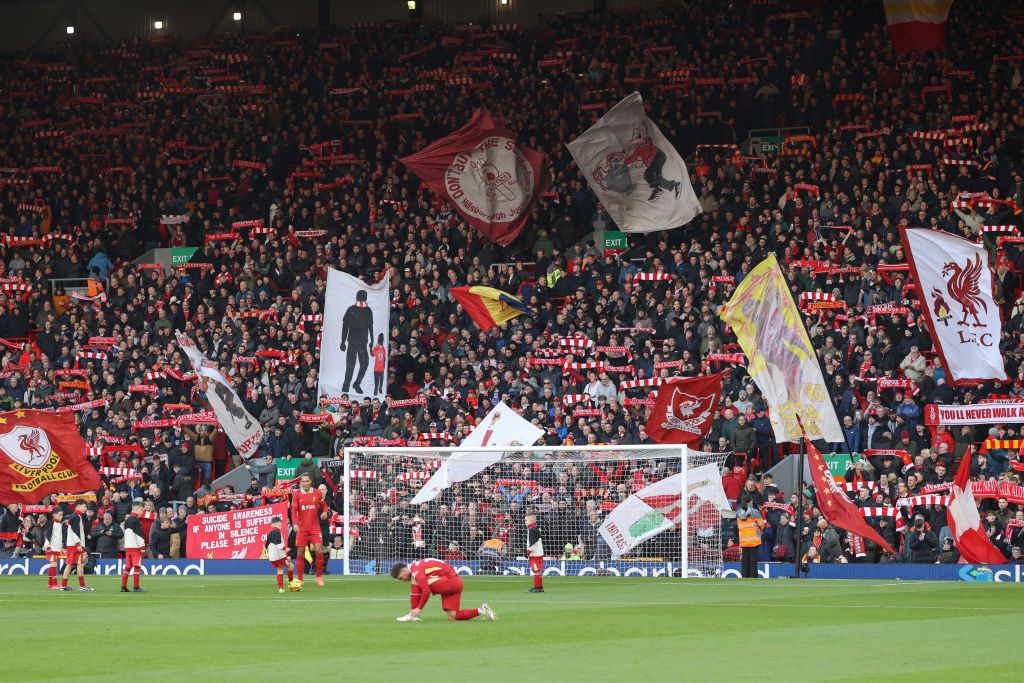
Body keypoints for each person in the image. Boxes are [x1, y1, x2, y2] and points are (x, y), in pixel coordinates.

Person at [390, 560, 497, 622]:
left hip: (450, 581)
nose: (402, 581)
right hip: (454, 583)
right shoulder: (416, 566)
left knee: (416, 579)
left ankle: (413, 614)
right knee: (452, 616)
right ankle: (482, 610)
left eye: (401, 578)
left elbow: (426, 591)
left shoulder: (415, 569)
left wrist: (419, 608)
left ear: (404, 570)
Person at [291, 473, 328, 586]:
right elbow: (293, 511)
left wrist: (325, 512)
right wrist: (295, 524)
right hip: (302, 528)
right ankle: (301, 579)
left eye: (307, 481)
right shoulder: (297, 494)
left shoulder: (317, 492)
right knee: (300, 553)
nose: (306, 483)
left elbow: (324, 505)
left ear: (310, 481)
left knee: (319, 550)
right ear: (300, 483)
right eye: (303, 481)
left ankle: (318, 577)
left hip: (315, 528)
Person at [61, 499, 94, 591]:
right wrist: (78, 544)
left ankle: (63, 585)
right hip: (75, 545)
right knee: (80, 564)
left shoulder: (76, 516)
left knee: (70, 564)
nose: (86, 508)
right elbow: (75, 532)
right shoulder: (76, 517)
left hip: (72, 544)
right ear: (78, 506)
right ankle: (82, 585)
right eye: (84, 506)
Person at [121, 501, 147, 592]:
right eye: (141, 510)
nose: (142, 512)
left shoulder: (127, 520)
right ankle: (136, 587)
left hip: (128, 547)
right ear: (137, 509)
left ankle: (123, 586)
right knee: (137, 566)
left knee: (128, 566)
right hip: (135, 547)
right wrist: (142, 547)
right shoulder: (136, 520)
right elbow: (139, 534)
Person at [265, 515, 295, 593]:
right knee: (291, 567)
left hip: (273, 557)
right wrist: (285, 548)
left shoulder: (270, 532)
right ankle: (291, 583)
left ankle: (281, 588)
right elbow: (277, 543)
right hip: (279, 556)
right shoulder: (276, 531)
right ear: (279, 524)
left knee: (280, 570)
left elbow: (266, 544)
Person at [736, 502, 765, 579]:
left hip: (744, 540)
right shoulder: (755, 512)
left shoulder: (738, 513)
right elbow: (762, 525)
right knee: (753, 561)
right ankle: (753, 577)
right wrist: (761, 530)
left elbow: (738, 526)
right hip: (754, 540)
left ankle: (744, 576)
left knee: (744, 561)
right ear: (750, 502)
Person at [43, 507, 65, 590]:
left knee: (53, 564)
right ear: (54, 515)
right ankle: (54, 583)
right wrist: (47, 546)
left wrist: (61, 545)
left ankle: (50, 583)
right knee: (53, 564)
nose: (61, 517)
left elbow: (58, 536)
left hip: (57, 547)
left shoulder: (59, 524)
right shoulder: (51, 523)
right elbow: (48, 535)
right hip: (52, 548)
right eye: (59, 515)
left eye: (62, 515)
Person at [525, 508, 544, 593]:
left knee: (535, 570)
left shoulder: (532, 530)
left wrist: (528, 552)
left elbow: (533, 543)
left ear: (530, 520)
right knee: (538, 570)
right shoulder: (536, 528)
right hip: (539, 553)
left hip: (535, 554)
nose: (525, 522)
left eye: (526, 520)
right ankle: (540, 587)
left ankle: (536, 587)